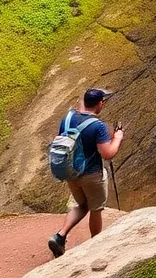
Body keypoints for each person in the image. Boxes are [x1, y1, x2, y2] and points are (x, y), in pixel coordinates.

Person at [47, 87, 123, 257]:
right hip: (92, 175)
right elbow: (107, 153)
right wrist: (117, 138)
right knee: (96, 208)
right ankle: (96, 246)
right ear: (100, 104)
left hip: (71, 172)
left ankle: (60, 236)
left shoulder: (67, 118)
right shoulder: (97, 126)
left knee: (82, 205)